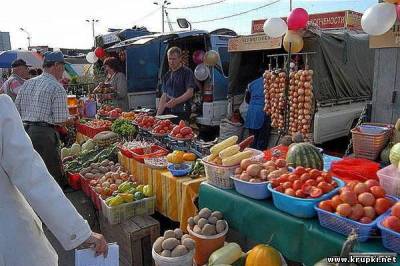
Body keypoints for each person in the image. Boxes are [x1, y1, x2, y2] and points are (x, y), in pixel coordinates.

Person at [0, 94, 108, 266]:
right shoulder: (1, 107)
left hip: (29, 128)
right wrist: (80, 232)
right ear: (57, 66)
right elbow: (31, 176)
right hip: (10, 242)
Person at [15, 51, 73, 188]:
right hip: (43, 134)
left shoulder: (28, 84)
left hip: (24, 131)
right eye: (63, 68)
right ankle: (55, 206)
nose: (63, 72)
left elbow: (16, 110)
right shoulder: (57, 87)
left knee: (32, 172)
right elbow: (60, 120)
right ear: (56, 66)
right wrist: (72, 119)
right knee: (51, 176)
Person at [156, 47, 196, 123]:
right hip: (169, 113)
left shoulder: (187, 72)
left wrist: (175, 101)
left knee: (180, 133)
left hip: (183, 112)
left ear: (180, 58)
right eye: (169, 59)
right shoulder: (167, 75)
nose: (171, 62)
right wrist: (157, 116)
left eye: (174, 59)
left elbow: (190, 93)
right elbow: (164, 96)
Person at [244, 76, 272, 151]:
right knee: (262, 140)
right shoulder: (271, 83)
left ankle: (251, 157)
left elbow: (247, 99)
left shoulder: (251, 84)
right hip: (262, 111)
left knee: (252, 138)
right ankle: (259, 158)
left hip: (252, 111)